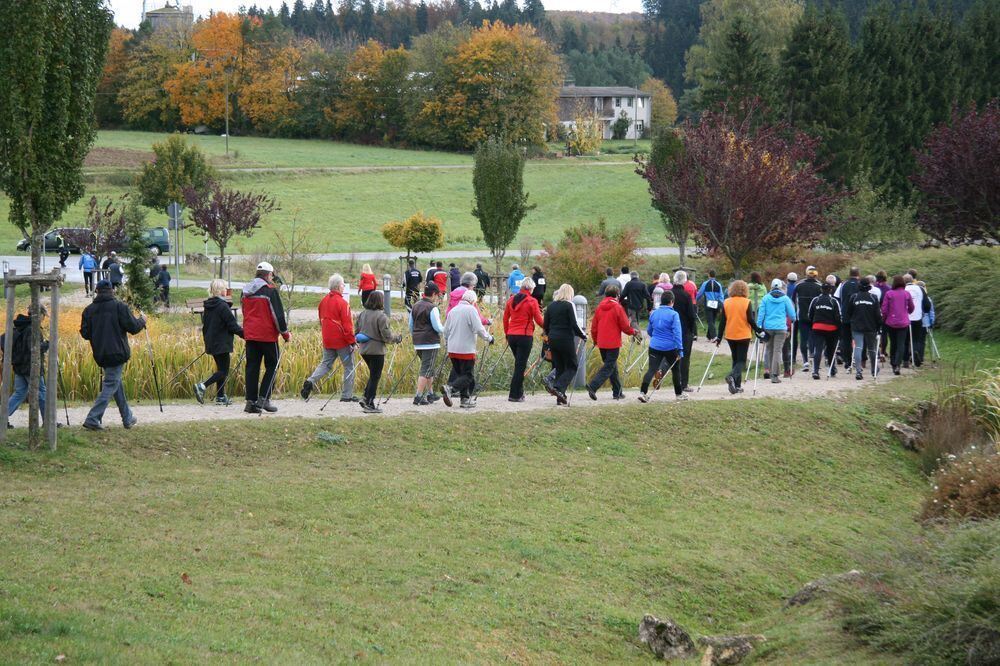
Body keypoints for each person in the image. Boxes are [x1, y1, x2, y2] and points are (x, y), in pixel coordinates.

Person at [80, 280, 146, 430]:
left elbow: (85, 333)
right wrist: (142, 320)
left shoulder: (88, 310)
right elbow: (133, 328)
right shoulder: (119, 307)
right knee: (111, 384)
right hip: (117, 352)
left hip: (101, 353)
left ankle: (127, 418)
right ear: (112, 291)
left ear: (96, 291)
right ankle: (92, 418)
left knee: (116, 383)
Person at [241, 261, 290, 414]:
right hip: (267, 336)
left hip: (251, 335)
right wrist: (285, 334)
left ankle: (250, 402)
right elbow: (278, 315)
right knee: (272, 366)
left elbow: (244, 311)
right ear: (269, 275)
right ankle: (264, 398)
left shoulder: (245, 291)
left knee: (252, 367)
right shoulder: (270, 291)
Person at [301, 274, 358, 404]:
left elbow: (321, 320)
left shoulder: (323, 301)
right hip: (341, 340)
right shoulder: (343, 303)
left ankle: (311, 381)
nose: (344, 287)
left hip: (327, 338)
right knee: (349, 366)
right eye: (343, 284)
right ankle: (347, 395)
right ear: (338, 286)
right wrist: (352, 342)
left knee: (325, 364)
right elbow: (347, 325)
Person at [194, 279, 244, 405]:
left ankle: (221, 397)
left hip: (212, 341)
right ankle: (202, 386)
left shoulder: (210, 306)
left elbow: (207, 325)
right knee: (223, 371)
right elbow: (232, 325)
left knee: (221, 369)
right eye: (226, 288)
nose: (227, 290)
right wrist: (247, 335)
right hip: (222, 342)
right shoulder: (222, 306)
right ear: (221, 291)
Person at [442, 289, 493, 408]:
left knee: (461, 375)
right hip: (466, 349)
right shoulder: (471, 310)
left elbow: (445, 331)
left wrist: (446, 344)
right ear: (472, 301)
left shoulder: (453, 311)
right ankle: (450, 388)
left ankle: (464, 400)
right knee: (468, 376)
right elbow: (479, 328)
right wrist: (489, 338)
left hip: (452, 349)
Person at [586, 284, 638, 400]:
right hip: (613, 342)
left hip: (602, 342)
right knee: (609, 366)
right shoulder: (617, 307)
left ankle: (617, 391)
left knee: (612, 366)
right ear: (617, 295)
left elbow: (594, 327)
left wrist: (595, 340)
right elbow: (625, 326)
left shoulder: (599, 307)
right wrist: (633, 331)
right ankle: (593, 386)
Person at [355, 291, 402, 414]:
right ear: (381, 302)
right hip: (376, 351)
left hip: (364, 350)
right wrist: (397, 338)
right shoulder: (382, 317)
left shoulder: (362, 314)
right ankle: (369, 402)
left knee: (373, 374)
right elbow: (387, 336)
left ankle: (366, 397)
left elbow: (356, 331)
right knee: (375, 376)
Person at [3, 307, 49, 425]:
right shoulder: (32, 329)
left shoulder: (20, 326)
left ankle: (2, 418)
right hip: (31, 367)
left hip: (19, 367)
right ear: (39, 315)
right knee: (42, 393)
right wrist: (46, 345)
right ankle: (48, 421)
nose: (44, 319)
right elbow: (33, 348)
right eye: (44, 316)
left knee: (19, 393)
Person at [541, 284, 586, 404]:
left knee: (560, 367)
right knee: (572, 365)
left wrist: (550, 335)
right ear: (569, 293)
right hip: (565, 338)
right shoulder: (569, 305)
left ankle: (560, 397)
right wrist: (583, 335)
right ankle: (558, 388)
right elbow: (574, 324)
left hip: (553, 339)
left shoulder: (551, 306)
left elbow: (545, 325)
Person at [715, 280, 761, 394]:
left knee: (735, 359)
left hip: (730, 335)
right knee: (741, 361)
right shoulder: (746, 302)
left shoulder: (726, 302)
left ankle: (737, 385)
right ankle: (731, 376)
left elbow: (723, 322)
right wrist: (759, 330)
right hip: (743, 334)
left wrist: (719, 337)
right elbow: (750, 320)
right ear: (745, 290)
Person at [638, 290, 685, 402]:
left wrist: (657, 337)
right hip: (670, 348)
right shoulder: (674, 314)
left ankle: (643, 392)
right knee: (676, 370)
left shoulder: (653, 313)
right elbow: (677, 333)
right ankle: (678, 394)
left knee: (651, 369)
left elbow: (649, 331)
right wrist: (680, 349)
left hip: (654, 346)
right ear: (672, 302)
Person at [503, 276, 543, 402]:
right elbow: (539, 320)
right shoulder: (532, 301)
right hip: (525, 336)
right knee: (520, 366)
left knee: (519, 364)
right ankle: (514, 394)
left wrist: (507, 333)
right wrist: (549, 325)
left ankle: (519, 393)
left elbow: (505, 318)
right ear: (530, 288)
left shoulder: (511, 300)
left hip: (512, 336)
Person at [409, 283, 444, 405]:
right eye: (437, 295)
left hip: (418, 342)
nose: (437, 298)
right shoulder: (432, 308)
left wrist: (416, 336)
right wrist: (447, 330)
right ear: (434, 294)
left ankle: (430, 394)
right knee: (426, 370)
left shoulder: (415, 306)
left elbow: (411, 326)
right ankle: (418, 396)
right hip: (430, 343)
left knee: (429, 369)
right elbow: (437, 327)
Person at [756, 278, 796, 383]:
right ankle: (775, 375)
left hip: (768, 328)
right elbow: (792, 315)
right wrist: (793, 319)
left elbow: (761, 313)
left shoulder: (766, 298)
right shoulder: (786, 299)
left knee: (769, 349)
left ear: (772, 287)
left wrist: (758, 326)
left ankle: (769, 371)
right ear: (781, 288)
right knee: (777, 351)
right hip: (781, 328)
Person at [844, 277, 882, 380]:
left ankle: (858, 371)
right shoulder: (874, 297)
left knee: (858, 347)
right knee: (872, 349)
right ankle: (874, 369)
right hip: (871, 326)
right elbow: (878, 315)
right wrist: (879, 326)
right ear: (869, 286)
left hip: (857, 326)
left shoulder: (854, 297)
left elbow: (848, 312)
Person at [880, 275, 914, 375]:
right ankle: (898, 364)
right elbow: (912, 308)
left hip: (891, 322)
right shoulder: (906, 294)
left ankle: (893, 362)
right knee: (901, 344)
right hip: (903, 322)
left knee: (893, 342)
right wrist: (906, 312)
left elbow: (884, 309)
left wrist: (884, 318)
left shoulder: (889, 293)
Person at [807, 282, 842, 379]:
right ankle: (832, 370)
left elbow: (810, 314)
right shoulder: (834, 301)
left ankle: (815, 371)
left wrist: (813, 324)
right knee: (830, 350)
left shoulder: (816, 300)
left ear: (821, 290)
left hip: (817, 327)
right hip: (831, 329)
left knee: (818, 349)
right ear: (830, 290)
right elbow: (838, 317)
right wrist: (839, 330)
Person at [671, 270, 697, 391]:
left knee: (669, 355)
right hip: (684, 329)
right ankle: (683, 383)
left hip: (670, 330)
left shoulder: (668, 293)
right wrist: (692, 330)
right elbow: (691, 315)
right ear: (685, 281)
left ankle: (661, 373)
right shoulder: (686, 296)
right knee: (685, 358)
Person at [794, 266, 822, 372]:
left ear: (806, 274)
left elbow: (793, 301)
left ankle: (805, 362)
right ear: (816, 275)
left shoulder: (799, 285)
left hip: (802, 316)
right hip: (815, 317)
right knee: (815, 339)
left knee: (803, 339)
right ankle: (815, 361)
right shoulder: (819, 286)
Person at [835, 267, 861, 370]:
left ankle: (847, 361)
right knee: (857, 339)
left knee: (846, 339)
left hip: (845, 315)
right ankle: (856, 360)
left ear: (849, 274)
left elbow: (837, 298)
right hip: (857, 316)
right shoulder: (860, 285)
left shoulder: (843, 284)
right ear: (858, 274)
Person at [903, 273, 930, 368]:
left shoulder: (903, 289)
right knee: (916, 338)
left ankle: (905, 360)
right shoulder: (920, 289)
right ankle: (916, 352)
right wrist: (924, 312)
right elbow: (927, 304)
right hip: (917, 317)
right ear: (912, 280)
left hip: (905, 317)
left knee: (905, 340)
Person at [696, 270, 726, 341]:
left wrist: (695, 299)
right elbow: (721, 296)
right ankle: (708, 336)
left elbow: (700, 293)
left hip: (708, 303)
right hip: (716, 303)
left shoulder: (705, 283)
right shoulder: (718, 284)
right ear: (715, 275)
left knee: (710, 320)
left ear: (709, 275)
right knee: (713, 320)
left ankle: (714, 336)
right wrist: (721, 304)